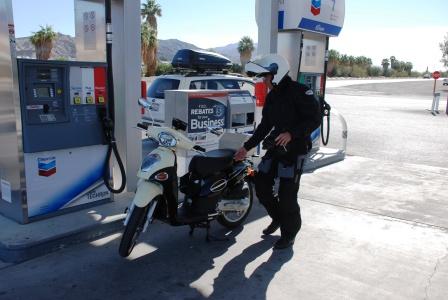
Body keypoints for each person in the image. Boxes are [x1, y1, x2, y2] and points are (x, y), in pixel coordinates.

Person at [234, 54, 321, 250]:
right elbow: (265, 126)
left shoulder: (300, 91)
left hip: (296, 149)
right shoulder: (272, 96)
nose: (264, 81)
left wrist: (292, 133)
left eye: (266, 77)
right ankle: (278, 218)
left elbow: (315, 119)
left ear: (277, 73)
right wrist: (246, 148)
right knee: (261, 183)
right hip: (276, 148)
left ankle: (289, 234)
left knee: (287, 195)